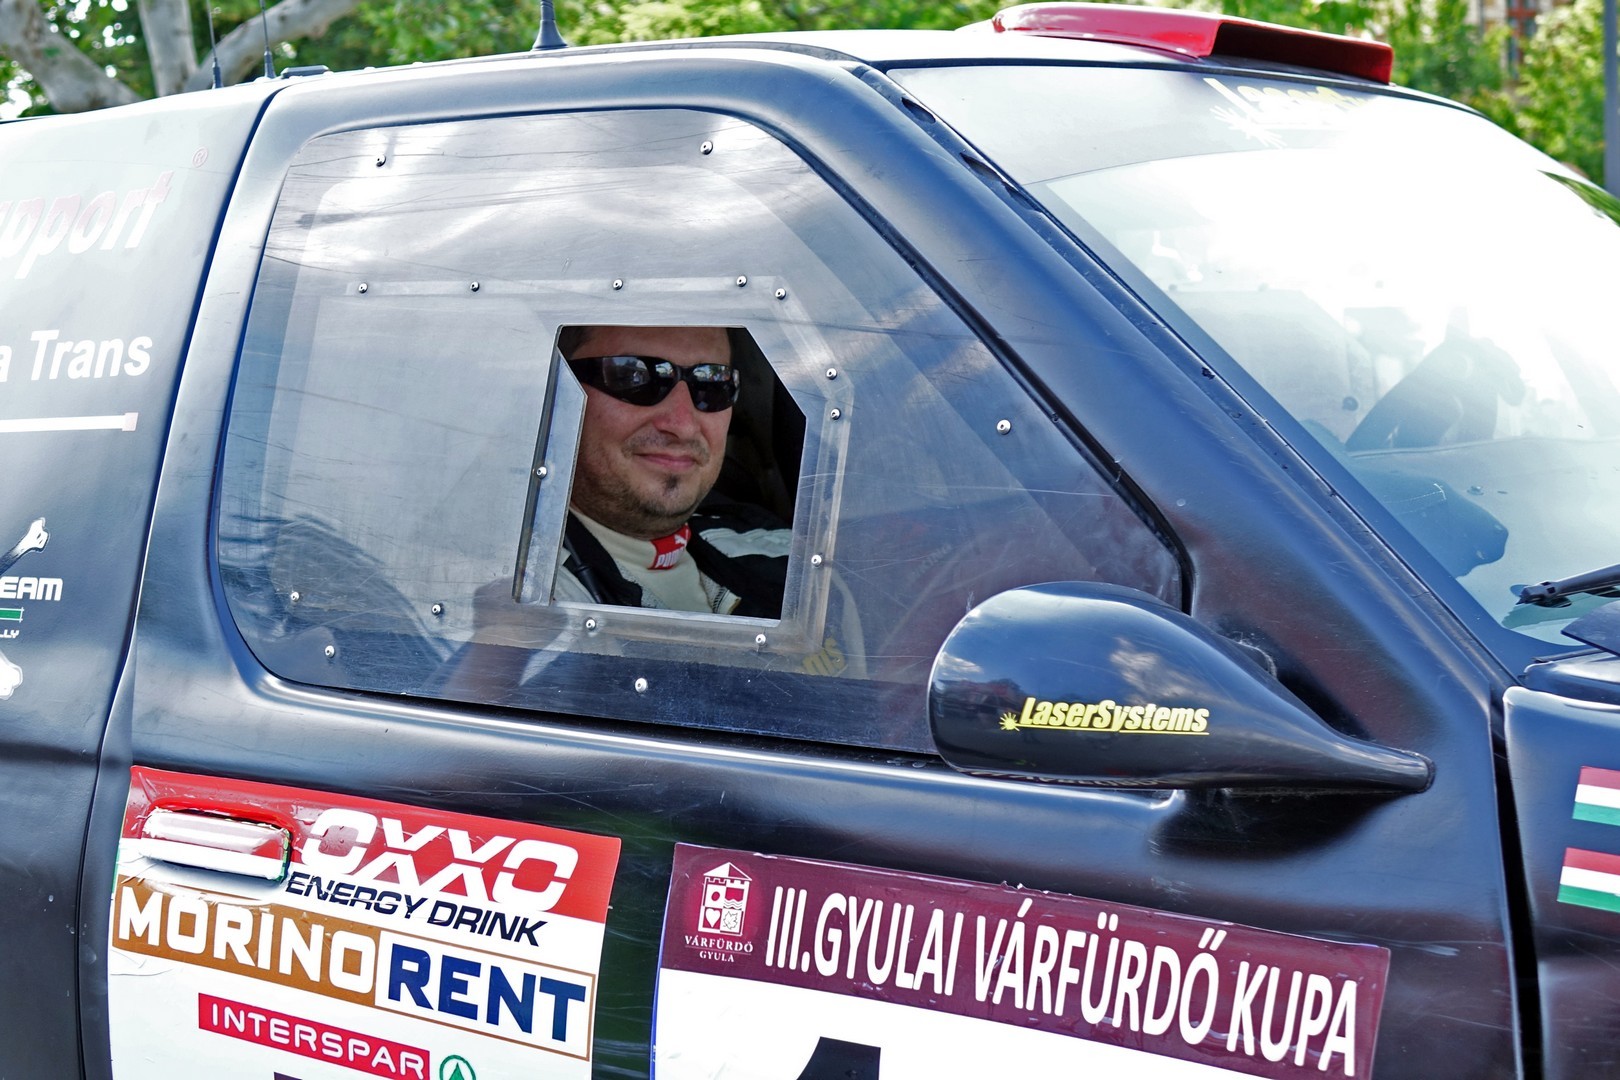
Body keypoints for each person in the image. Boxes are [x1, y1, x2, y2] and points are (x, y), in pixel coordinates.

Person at [553, 324, 791, 618]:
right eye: (633, 376)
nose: (684, 426)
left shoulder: (788, 556)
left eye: (713, 383)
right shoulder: (522, 597)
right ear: (556, 390)